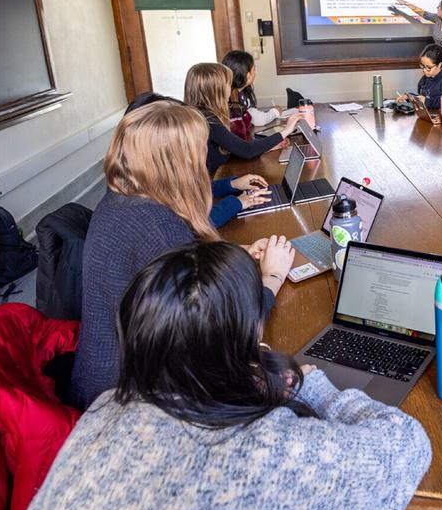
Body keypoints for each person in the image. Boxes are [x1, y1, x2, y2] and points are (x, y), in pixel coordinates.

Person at [25, 241, 432, 510]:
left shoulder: (107, 407)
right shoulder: (269, 455)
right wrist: (312, 387)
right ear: (250, 334)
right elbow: (408, 445)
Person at [70, 101, 289, 408]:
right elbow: (222, 333)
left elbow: (172, 262)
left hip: (104, 374)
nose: (206, 155)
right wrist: (272, 278)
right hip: (130, 397)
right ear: (179, 161)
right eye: (201, 147)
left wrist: (234, 253)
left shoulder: (122, 199)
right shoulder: (159, 226)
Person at [124, 91, 270, 228]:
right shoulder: (143, 207)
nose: (202, 150)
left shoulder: (148, 176)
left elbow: (191, 190)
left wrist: (231, 184)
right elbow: (192, 228)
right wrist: (237, 202)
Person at [184, 62, 298, 177]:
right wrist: (286, 131)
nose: (231, 88)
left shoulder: (202, 116)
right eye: (228, 84)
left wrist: (265, 147)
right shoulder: (210, 122)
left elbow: (235, 148)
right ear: (217, 90)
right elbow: (246, 150)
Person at [221, 49, 281, 139]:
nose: (255, 73)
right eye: (254, 69)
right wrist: (275, 112)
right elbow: (258, 120)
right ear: (248, 75)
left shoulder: (238, 95)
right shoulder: (233, 102)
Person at [397, 44, 442, 112]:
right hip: (430, 115)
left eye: (428, 67)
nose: (424, 70)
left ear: (439, 65)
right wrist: (409, 97)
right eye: (422, 65)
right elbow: (424, 97)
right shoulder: (427, 77)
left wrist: (427, 101)